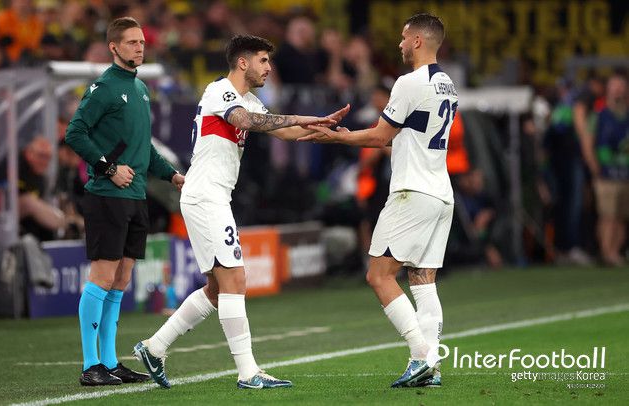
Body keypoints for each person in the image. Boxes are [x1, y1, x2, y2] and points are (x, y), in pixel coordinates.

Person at [133, 34, 348, 390]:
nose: (269, 68)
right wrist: (303, 116)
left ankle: (154, 348)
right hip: (205, 196)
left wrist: (324, 129)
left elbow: (285, 132)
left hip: (213, 196)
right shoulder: (220, 91)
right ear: (243, 62)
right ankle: (248, 372)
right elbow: (246, 121)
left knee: (217, 289)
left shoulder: (248, 99)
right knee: (236, 280)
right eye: (263, 60)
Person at [300, 13, 456, 388]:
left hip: (413, 192)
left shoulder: (409, 82)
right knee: (423, 281)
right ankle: (430, 368)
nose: (400, 44)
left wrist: (336, 137)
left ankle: (421, 355)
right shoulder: (448, 85)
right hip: (441, 193)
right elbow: (406, 138)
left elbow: (380, 136)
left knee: (378, 275)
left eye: (404, 37)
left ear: (418, 41)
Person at [65, 17, 185, 386]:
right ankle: (91, 366)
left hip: (136, 197)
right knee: (103, 277)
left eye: (142, 42)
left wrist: (172, 176)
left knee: (120, 279)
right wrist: (108, 167)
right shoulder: (103, 88)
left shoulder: (141, 89)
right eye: (132, 42)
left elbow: (144, 148)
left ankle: (109, 361)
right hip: (107, 195)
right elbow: (75, 133)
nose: (139, 47)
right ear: (114, 47)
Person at [586, 73, 629, 266]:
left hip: (625, 174)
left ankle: (615, 252)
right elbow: (588, 143)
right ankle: (606, 252)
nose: (619, 91)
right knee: (608, 215)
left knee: (621, 216)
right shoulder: (599, 115)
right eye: (615, 86)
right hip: (606, 174)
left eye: (622, 86)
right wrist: (595, 168)